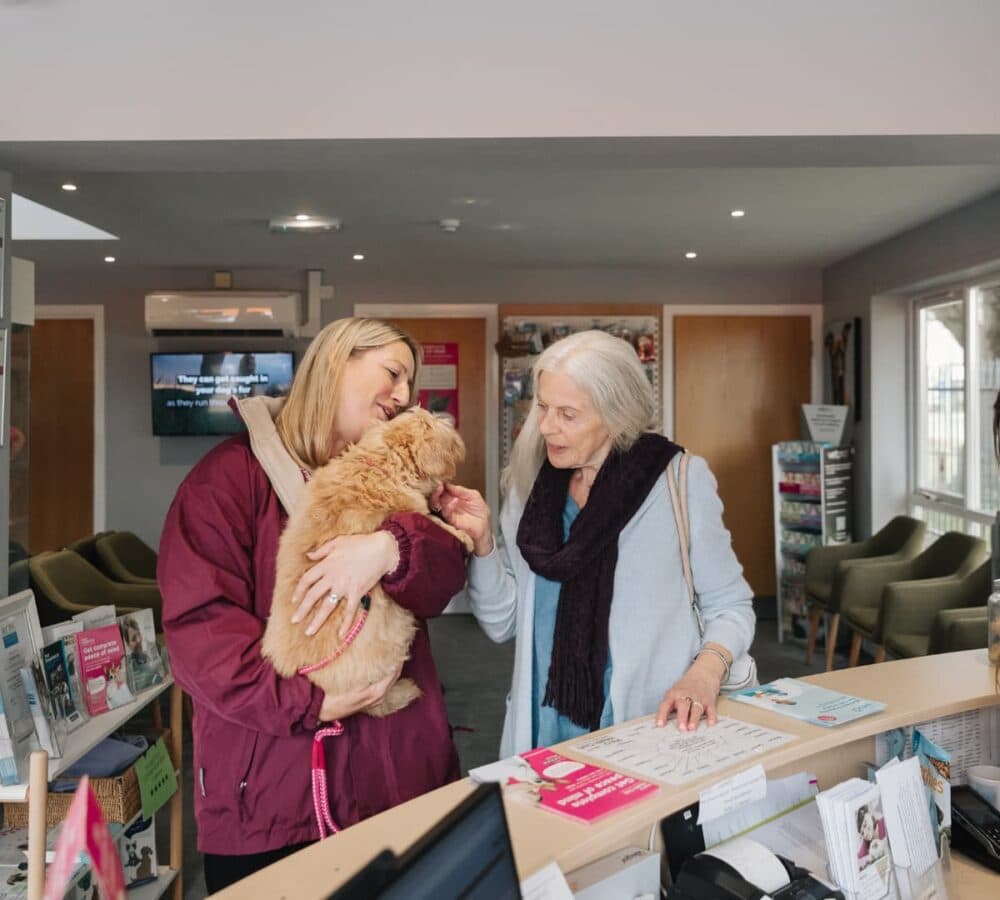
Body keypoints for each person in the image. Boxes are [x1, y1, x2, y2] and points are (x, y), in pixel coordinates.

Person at [159, 318, 468, 893]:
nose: (403, 396)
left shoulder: (394, 476)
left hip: (397, 776)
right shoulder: (225, 483)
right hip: (275, 797)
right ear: (334, 364)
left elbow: (443, 579)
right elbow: (201, 637)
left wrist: (390, 547)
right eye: (394, 372)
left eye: (410, 385)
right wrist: (310, 703)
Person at [434, 330, 755, 757]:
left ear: (617, 415)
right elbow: (502, 624)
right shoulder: (530, 488)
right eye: (544, 407)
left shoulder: (678, 481)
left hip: (646, 727)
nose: (547, 426)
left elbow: (731, 606)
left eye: (568, 414)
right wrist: (483, 544)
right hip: (543, 732)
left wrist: (705, 674)